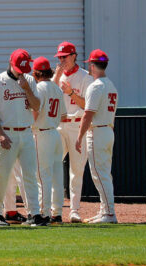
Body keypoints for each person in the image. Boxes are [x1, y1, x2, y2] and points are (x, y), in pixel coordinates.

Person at [0, 49, 47, 227]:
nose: (22, 72)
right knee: (2, 175)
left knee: (30, 175)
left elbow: (37, 106)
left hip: (27, 132)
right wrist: (0, 134)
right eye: (18, 68)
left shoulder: (28, 80)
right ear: (10, 63)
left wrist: (27, 89)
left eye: (24, 69)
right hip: (7, 133)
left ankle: (34, 214)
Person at [53, 41, 94, 223]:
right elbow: (49, 94)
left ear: (73, 56)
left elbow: (87, 105)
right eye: (59, 57)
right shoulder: (58, 75)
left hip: (77, 124)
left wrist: (70, 93)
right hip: (60, 124)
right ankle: (54, 210)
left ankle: (74, 210)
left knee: (76, 170)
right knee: (53, 166)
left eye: (65, 56)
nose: (62, 60)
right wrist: (56, 76)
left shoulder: (85, 77)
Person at [76, 49, 118, 224]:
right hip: (107, 129)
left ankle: (109, 213)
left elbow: (88, 114)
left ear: (92, 66)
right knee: (104, 173)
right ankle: (104, 211)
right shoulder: (111, 84)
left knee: (99, 174)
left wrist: (79, 137)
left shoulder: (96, 86)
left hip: (98, 130)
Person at [31, 56, 67, 223]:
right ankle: (57, 212)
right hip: (55, 132)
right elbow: (64, 115)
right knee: (56, 175)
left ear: (36, 72)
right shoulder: (56, 88)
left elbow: (35, 112)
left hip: (43, 132)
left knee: (42, 175)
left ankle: (44, 213)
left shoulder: (39, 88)